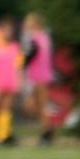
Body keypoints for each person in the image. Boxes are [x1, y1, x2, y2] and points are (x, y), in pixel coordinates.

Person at [0, 20, 24, 148]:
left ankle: (2, 136)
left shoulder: (15, 47)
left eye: (10, 31)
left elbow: (18, 66)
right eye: (6, 31)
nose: (8, 33)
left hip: (10, 81)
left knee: (5, 109)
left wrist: (18, 81)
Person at [20, 13, 56, 142]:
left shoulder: (33, 37)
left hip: (36, 74)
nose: (25, 24)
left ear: (35, 23)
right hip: (44, 73)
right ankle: (48, 129)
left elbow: (30, 54)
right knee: (37, 106)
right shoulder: (45, 36)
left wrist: (21, 64)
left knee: (37, 105)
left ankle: (48, 131)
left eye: (28, 22)